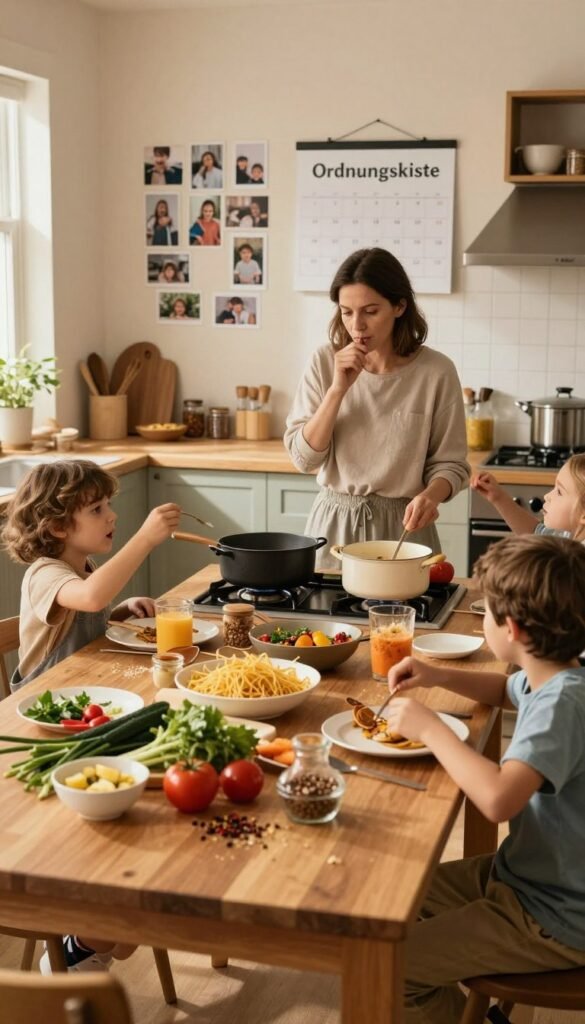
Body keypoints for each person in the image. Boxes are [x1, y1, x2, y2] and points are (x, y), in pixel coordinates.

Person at [384, 533, 585, 1024]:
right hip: (531, 878)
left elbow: (497, 800)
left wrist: (430, 728)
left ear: (511, 629)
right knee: (398, 893)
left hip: (558, 915)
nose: (483, 617)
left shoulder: (563, 704)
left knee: (393, 967)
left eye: (486, 611)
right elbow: (503, 689)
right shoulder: (558, 676)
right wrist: (436, 676)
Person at [1, 460, 182, 971]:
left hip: (88, 715)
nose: (112, 516)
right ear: (59, 526)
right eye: (97, 509)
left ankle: (104, 926)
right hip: (43, 727)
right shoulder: (44, 574)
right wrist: (145, 540)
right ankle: (86, 940)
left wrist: (121, 612)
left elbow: (95, 605)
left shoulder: (80, 568)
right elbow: (89, 597)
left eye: (109, 505)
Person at [284, 247, 469, 569]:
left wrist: (431, 496)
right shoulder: (324, 361)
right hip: (333, 528)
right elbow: (303, 458)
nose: (357, 325)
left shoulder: (436, 371)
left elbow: (452, 464)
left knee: (405, 620)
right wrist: (338, 390)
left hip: (405, 532)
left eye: (370, 311)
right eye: (346, 312)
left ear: (399, 306)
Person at [472, 453, 585, 540]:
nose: (547, 496)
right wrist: (498, 497)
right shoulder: (563, 538)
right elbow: (533, 532)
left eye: (559, 492)